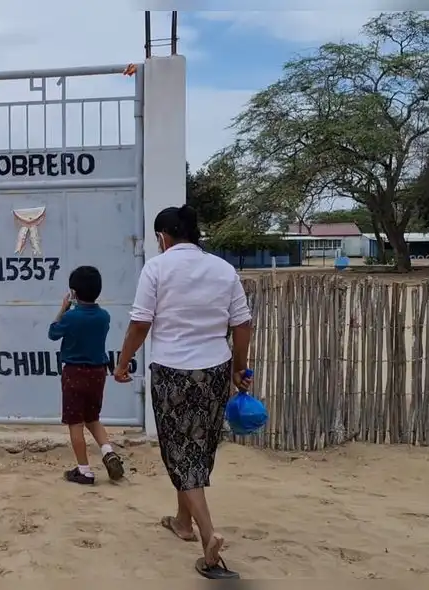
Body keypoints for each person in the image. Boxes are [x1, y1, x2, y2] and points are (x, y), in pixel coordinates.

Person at [112, 204, 252, 580]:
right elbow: (242, 325)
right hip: (216, 371)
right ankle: (182, 523)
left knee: (179, 451)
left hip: (173, 371)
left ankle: (209, 537)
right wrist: (240, 367)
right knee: (199, 446)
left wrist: (123, 362)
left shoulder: (157, 268)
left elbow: (140, 323)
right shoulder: (224, 269)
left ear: (163, 237)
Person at [47, 265, 125, 485]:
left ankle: (84, 470)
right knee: (93, 418)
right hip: (98, 372)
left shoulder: (71, 317)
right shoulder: (104, 316)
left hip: (74, 373)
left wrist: (63, 308)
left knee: (75, 423)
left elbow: (53, 333)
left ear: (74, 292)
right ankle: (108, 451)